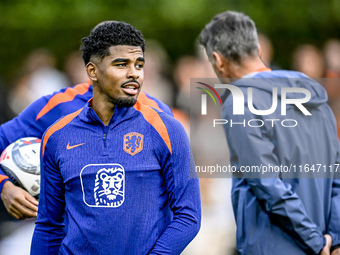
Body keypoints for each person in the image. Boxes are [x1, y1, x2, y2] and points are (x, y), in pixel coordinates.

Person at [30, 21, 201, 254]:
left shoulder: (167, 129)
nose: (134, 73)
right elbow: (49, 226)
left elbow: (188, 215)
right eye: (121, 64)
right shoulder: (57, 136)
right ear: (92, 71)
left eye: (139, 64)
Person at [199, 11, 340, 255]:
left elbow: (266, 184)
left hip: (275, 245)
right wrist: (334, 239)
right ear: (259, 50)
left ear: (218, 60)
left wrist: (317, 243)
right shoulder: (314, 97)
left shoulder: (240, 102)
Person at [0, 69, 173, 221]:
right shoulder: (60, 105)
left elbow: (180, 195)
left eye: (136, 63)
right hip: (66, 238)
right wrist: (5, 186)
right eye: (118, 63)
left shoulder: (158, 113)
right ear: (92, 67)